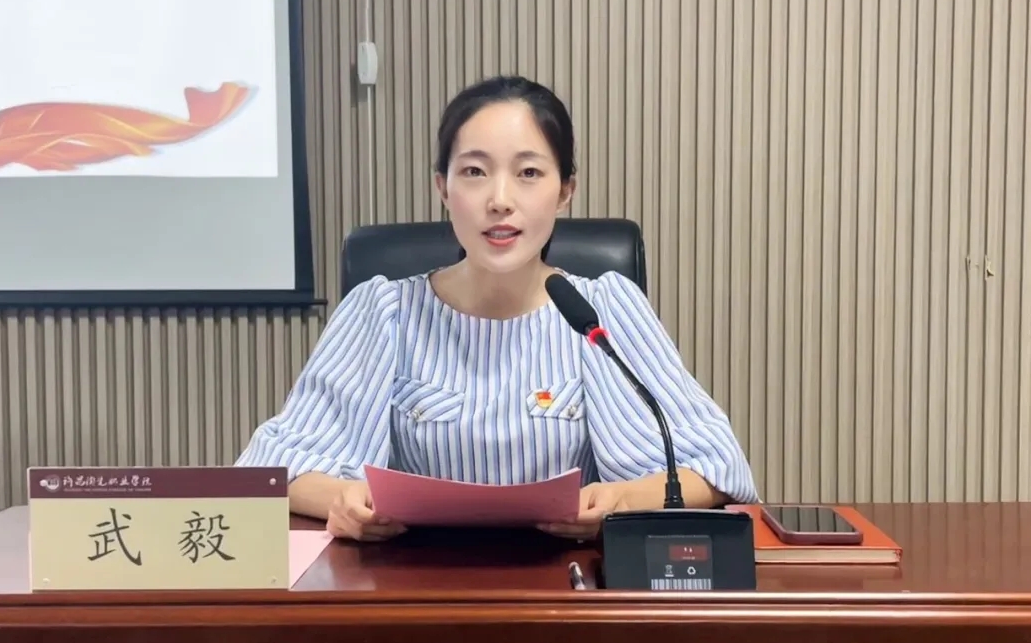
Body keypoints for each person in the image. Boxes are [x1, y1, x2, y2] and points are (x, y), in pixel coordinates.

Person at [236, 75, 759, 542]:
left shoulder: (602, 310)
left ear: (565, 191)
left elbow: (717, 468)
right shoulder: (383, 311)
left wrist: (619, 500)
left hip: (566, 590)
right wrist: (341, 500)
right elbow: (272, 466)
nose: (500, 200)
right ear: (443, 188)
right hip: (410, 590)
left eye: (529, 172)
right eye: (474, 171)